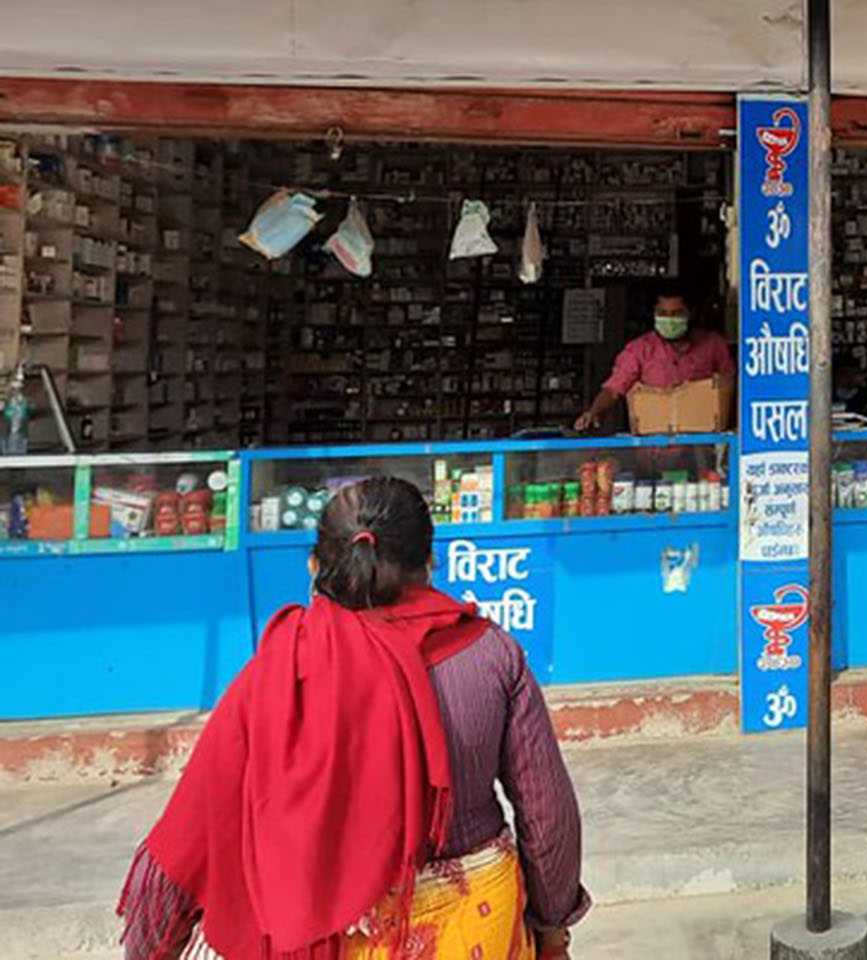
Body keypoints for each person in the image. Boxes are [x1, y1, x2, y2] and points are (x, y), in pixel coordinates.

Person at [118, 477, 588, 959]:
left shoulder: (282, 670)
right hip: (477, 927)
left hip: (339, 936)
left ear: (315, 565)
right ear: (430, 562)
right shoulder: (493, 654)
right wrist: (552, 930)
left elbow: (193, 828)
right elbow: (546, 813)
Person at [574, 281, 733, 432]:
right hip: (653, 451)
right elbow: (613, 388)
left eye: (676, 314)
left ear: (690, 313)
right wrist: (594, 412)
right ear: (654, 314)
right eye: (663, 313)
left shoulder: (713, 345)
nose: (669, 319)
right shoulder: (639, 350)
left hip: (702, 448)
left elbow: (730, 386)